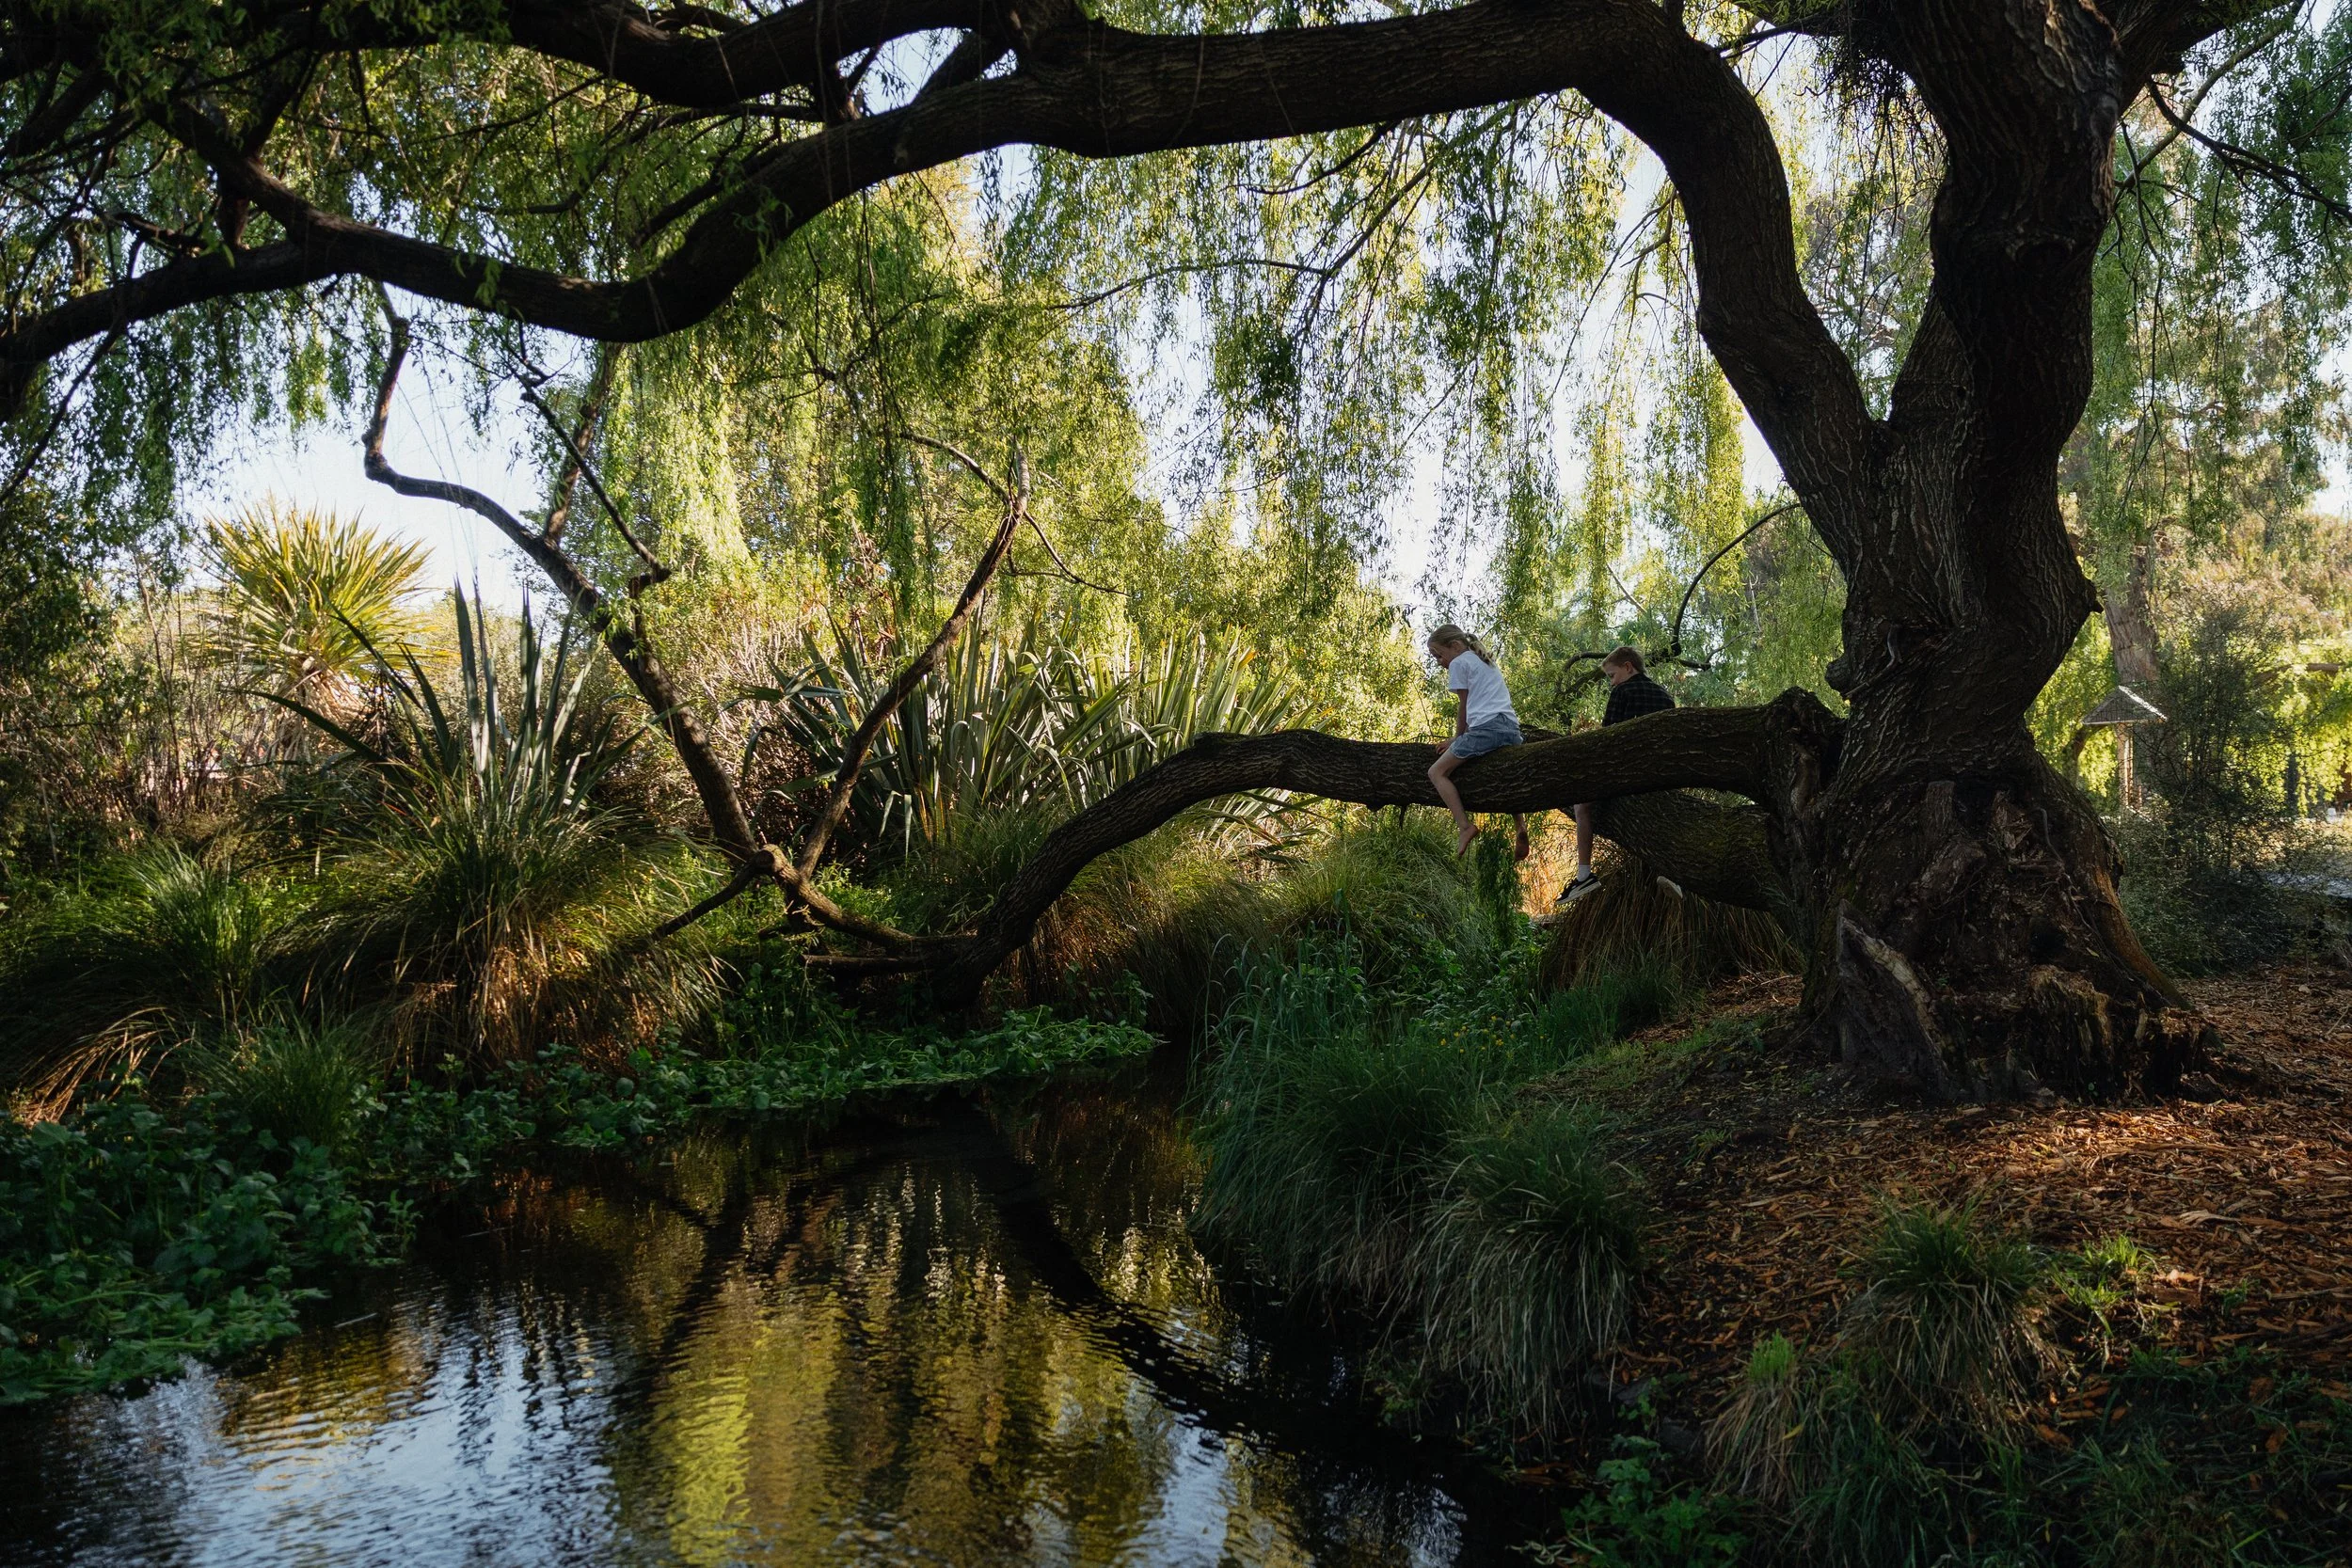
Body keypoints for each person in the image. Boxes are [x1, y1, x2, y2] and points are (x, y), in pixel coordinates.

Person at [1558, 644, 1676, 905]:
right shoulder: (1665, 696)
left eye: (1612, 675)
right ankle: (1672, 872)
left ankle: (1584, 875)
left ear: (1628, 667)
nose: (1611, 683)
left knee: (1581, 804)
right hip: (1661, 773)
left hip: (1626, 770)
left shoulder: (1623, 691)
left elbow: (1608, 738)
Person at [1425, 625, 1531, 859]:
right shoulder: (1484, 661)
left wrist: (1457, 738)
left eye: (1438, 654)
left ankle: (1465, 827)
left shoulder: (1459, 663)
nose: (1439, 661)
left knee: (1436, 772)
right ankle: (1520, 826)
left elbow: (1463, 706)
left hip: (1486, 729)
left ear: (1455, 646)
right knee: (1507, 776)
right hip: (1511, 728)